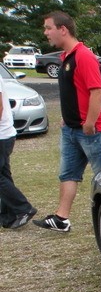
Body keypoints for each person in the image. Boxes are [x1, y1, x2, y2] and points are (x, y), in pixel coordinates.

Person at [34, 11, 101, 233]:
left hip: (91, 131)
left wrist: (89, 123)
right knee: (68, 174)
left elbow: (97, 92)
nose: (46, 33)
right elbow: (74, 93)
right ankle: (61, 219)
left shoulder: (84, 56)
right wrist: (67, 119)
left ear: (63, 29)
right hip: (70, 130)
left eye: (48, 28)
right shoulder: (66, 57)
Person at [0, 73, 37, 229]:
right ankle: (9, 215)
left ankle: (23, 208)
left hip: (2, 135)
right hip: (5, 134)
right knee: (4, 176)